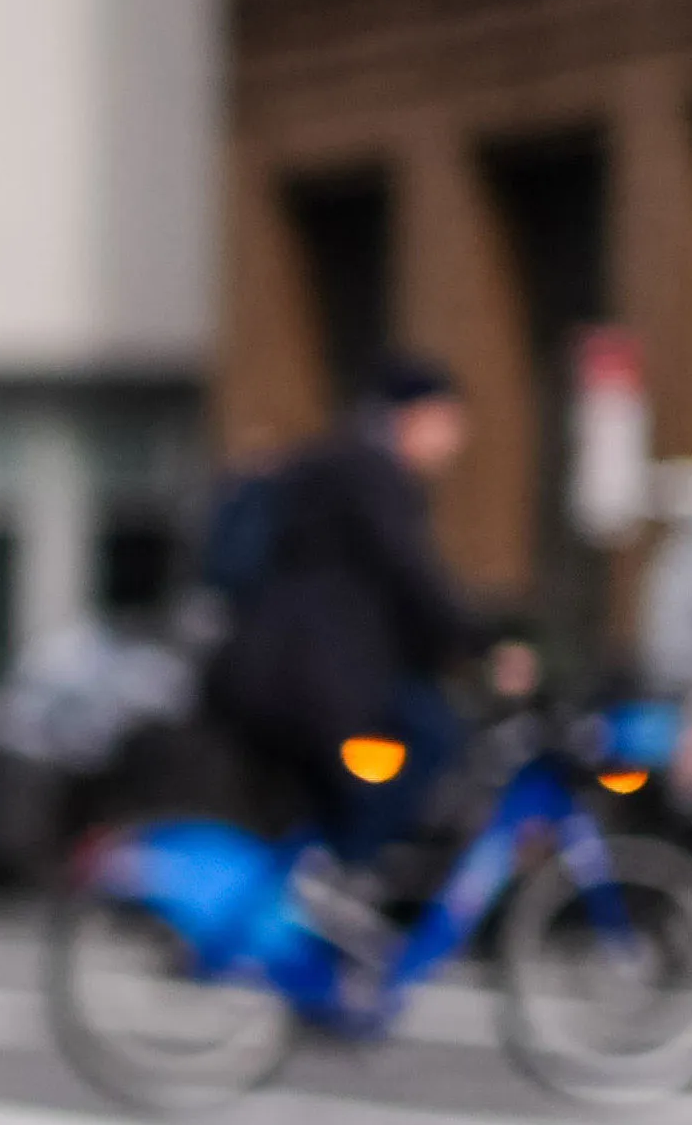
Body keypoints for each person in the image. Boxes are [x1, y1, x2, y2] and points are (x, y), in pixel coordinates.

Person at [204, 351, 494, 866]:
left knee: (336, 799)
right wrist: (480, 643)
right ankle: (355, 877)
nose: (454, 444)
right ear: (415, 416)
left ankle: (327, 891)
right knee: (436, 737)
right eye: (447, 425)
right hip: (315, 678)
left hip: (274, 671)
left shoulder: (327, 465)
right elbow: (409, 575)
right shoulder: (371, 474)